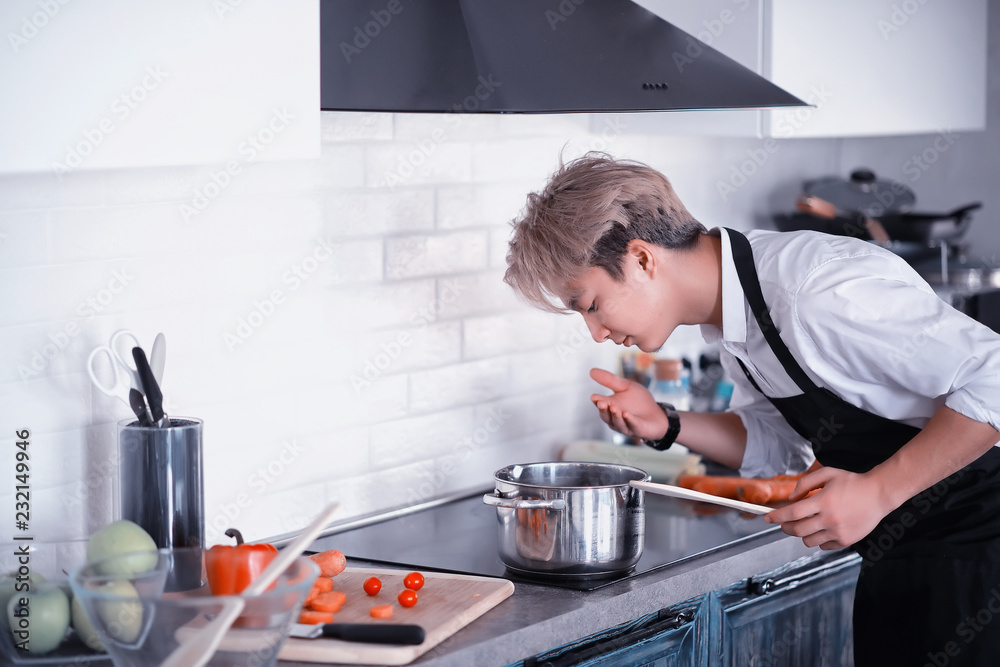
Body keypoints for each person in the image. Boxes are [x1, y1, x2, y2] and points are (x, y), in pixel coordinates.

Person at [503, 152, 1000, 666]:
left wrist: (877, 492)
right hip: (903, 561)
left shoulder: (812, 293)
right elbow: (778, 444)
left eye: (590, 305)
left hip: (981, 555)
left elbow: (994, 378)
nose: (596, 332)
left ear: (642, 259)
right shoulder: (737, 311)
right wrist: (667, 424)